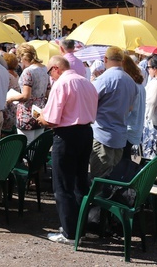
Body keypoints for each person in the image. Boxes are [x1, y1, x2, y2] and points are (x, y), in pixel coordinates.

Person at [38, 56, 98, 244]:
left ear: (56, 68)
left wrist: (40, 118)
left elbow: (52, 120)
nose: (51, 77)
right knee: (80, 181)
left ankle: (70, 232)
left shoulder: (62, 83)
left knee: (62, 185)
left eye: (50, 72)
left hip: (66, 134)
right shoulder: (86, 82)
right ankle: (80, 227)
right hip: (86, 132)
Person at [89, 46, 137, 178]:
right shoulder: (130, 81)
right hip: (120, 134)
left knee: (99, 178)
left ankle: (97, 198)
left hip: (103, 134)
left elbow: (90, 102)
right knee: (112, 177)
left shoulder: (104, 79)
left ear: (105, 59)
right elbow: (130, 108)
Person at [11, 43, 49, 144]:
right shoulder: (44, 69)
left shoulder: (28, 71)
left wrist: (11, 98)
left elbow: (26, 96)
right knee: (37, 146)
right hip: (40, 110)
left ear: (23, 57)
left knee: (26, 145)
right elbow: (48, 92)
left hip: (27, 113)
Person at [121, 55, 146, 160]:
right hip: (136, 127)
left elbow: (128, 109)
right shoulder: (140, 85)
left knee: (125, 161)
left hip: (129, 129)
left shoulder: (131, 85)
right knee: (131, 160)